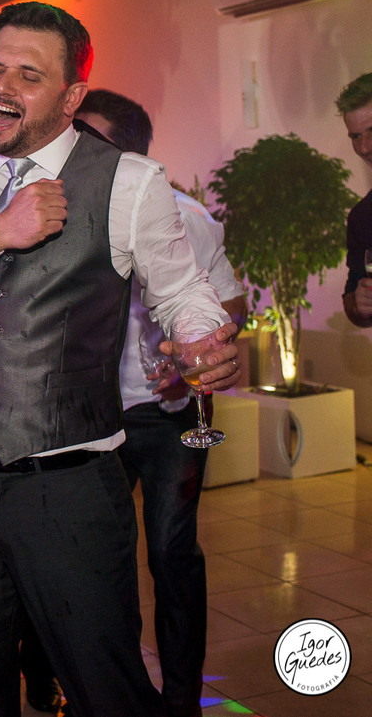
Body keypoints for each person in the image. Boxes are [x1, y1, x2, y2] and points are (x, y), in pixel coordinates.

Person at [0, 2, 241, 716]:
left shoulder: (129, 181)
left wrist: (205, 338)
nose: (1, 86)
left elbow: (185, 292)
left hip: (69, 487)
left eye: (28, 75)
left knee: (107, 685)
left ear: (70, 98)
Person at [79, 89, 247, 717]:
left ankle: (180, 698)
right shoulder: (64, 210)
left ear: (126, 150)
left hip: (169, 417)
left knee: (173, 554)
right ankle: (110, 690)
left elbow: (229, 306)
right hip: (89, 417)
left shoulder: (187, 218)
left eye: (88, 137)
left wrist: (194, 358)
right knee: (96, 557)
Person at [338, 73, 372, 328]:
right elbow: (352, 295)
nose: (364, 148)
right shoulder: (362, 217)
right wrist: (359, 306)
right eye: (355, 136)